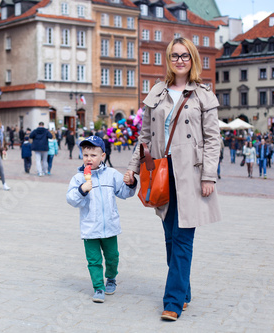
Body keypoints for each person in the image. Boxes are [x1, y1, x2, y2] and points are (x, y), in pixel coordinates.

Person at [125, 37, 221, 321]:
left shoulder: (204, 95)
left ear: (193, 59)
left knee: (182, 238)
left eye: (185, 56)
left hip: (191, 173)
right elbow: (144, 139)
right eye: (175, 56)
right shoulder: (156, 92)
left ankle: (173, 301)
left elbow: (214, 140)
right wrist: (131, 168)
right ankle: (185, 290)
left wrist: (209, 177)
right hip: (161, 172)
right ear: (169, 60)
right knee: (169, 237)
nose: (180, 60)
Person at [66, 136, 137, 303]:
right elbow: (71, 200)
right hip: (90, 228)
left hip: (110, 226)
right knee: (94, 260)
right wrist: (81, 190)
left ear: (103, 156)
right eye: (85, 155)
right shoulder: (78, 178)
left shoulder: (111, 174)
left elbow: (124, 192)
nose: (89, 159)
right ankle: (98, 287)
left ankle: (111, 278)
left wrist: (131, 183)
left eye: (93, 155)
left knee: (113, 257)